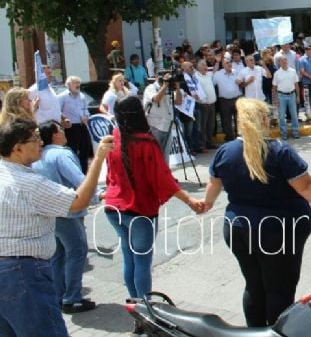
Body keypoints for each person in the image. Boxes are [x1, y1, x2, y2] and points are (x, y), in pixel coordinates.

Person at [202, 98, 311, 326]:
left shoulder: (225, 152)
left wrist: (205, 204)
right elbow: (306, 186)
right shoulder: (279, 151)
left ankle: (255, 332)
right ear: (265, 121)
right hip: (277, 232)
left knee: (254, 286)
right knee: (279, 291)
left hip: (239, 228)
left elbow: (213, 185)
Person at [0, 119, 113, 337]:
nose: (41, 143)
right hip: (23, 273)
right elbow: (78, 201)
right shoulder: (28, 183)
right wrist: (98, 159)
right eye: (35, 139)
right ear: (18, 147)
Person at [104, 96, 203, 302]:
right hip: (138, 209)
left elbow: (111, 174)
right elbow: (162, 179)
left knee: (129, 258)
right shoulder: (145, 143)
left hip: (114, 207)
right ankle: (145, 309)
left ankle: (135, 304)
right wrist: (190, 201)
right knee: (141, 262)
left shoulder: (114, 137)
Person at [31, 121, 98, 314]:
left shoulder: (39, 156)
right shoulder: (62, 154)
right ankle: (72, 298)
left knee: (58, 254)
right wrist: (95, 195)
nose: (64, 131)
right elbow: (80, 180)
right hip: (68, 211)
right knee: (77, 251)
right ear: (54, 135)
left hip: (49, 211)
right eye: (60, 129)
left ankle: (59, 295)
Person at [143, 72, 183, 163]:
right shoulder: (150, 88)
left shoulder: (169, 88)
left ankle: (164, 174)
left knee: (165, 155)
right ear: (156, 76)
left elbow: (178, 102)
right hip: (155, 126)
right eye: (164, 77)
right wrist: (164, 86)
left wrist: (177, 89)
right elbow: (156, 99)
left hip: (167, 125)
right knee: (156, 154)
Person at [58, 76, 93, 173]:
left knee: (85, 150)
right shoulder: (62, 96)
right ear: (68, 85)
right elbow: (57, 110)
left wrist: (86, 115)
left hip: (82, 125)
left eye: (78, 83)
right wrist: (64, 119)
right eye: (75, 83)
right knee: (72, 151)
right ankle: (74, 174)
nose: (77, 85)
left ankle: (84, 173)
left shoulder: (82, 96)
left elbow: (86, 109)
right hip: (71, 127)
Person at [213, 59, 241, 142]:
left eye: (230, 62)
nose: (229, 64)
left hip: (237, 98)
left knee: (239, 119)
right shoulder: (218, 74)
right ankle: (229, 138)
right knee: (226, 120)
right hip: (224, 100)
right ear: (223, 65)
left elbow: (242, 83)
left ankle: (239, 137)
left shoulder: (236, 72)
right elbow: (212, 84)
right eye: (227, 63)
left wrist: (241, 82)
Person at [272, 56, 300, 140]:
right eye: (282, 60)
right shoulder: (277, 73)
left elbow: (296, 85)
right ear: (279, 63)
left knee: (294, 115)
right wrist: (275, 99)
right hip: (281, 96)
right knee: (281, 116)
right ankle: (283, 133)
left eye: (285, 60)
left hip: (292, 95)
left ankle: (295, 132)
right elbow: (274, 87)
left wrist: (298, 96)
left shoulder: (293, 71)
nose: (284, 61)